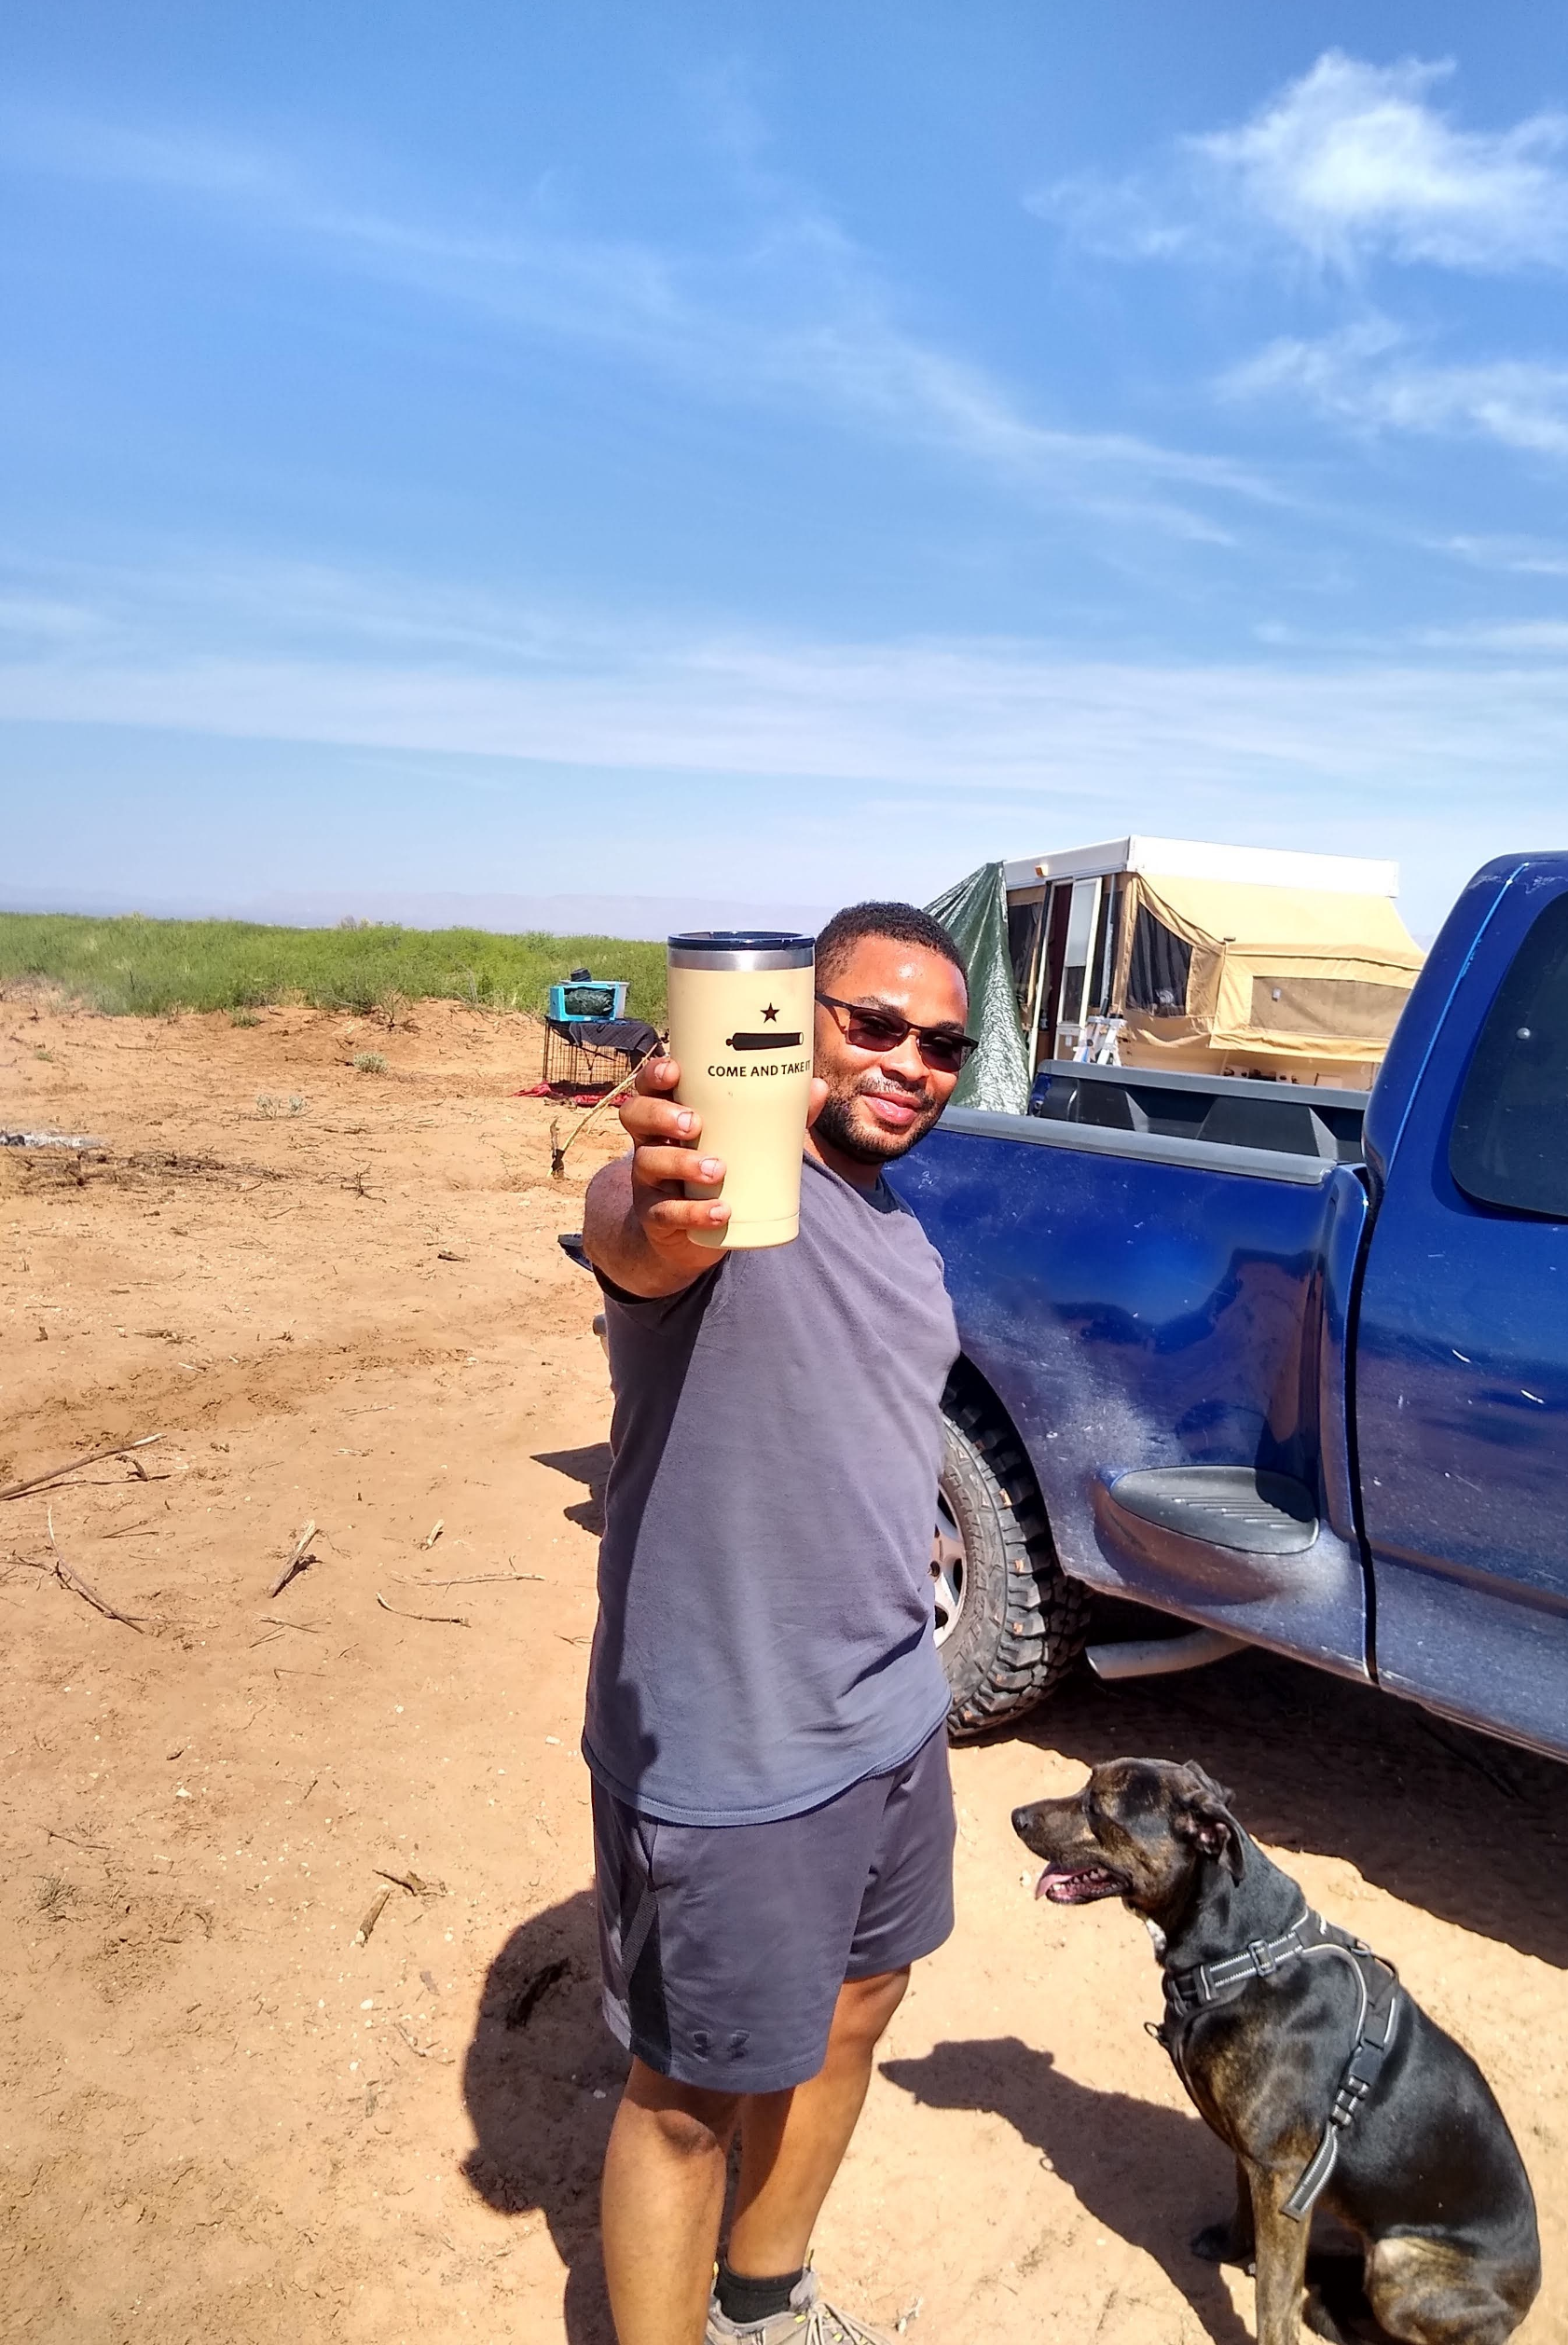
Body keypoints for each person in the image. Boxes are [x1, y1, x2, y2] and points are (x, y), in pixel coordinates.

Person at [579, 902, 978, 2345]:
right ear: (796, 1021)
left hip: (891, 1715)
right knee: (684, 2096)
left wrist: (909, 1519)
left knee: (859, 2006)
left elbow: (874, 1408)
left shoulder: (898, 1227)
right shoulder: (731, 1200)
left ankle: (765, 2298)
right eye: (872, 1024)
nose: (909, 1063)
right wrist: (652, 1191)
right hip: (730, 1742)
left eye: (941, 1044)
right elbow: (639, 1237)